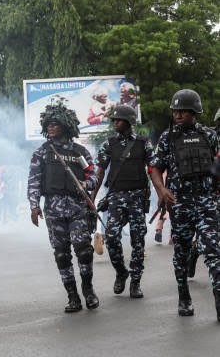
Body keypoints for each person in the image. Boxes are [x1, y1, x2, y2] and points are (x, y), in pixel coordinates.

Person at [150, 89, 219, 321]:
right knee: (180, 252)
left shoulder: (209, 135)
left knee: (215, 251)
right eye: (175, 111)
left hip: (206, 201)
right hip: (180, 203)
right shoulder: (166, 137)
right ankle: (184, 297)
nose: (178, 115)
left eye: (183, 111)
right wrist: (162, 190)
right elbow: (155, 168)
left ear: (194, 113)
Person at [28, 99, 99, 313]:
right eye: (48, 124)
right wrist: (34, 205)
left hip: (78, 209)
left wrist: (87, 183)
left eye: (55, 123)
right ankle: (73, 296)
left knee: (84, 251)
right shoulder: (42, 152)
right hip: (53, 210)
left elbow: (93, 175)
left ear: (65, 126)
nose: (50, 127)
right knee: (61, 254)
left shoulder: (80, 152)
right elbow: (34, 180)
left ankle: (87, 289)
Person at [91, 105, 154, 299]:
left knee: (138, 241)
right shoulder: (108, 144)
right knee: (111, 237)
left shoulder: (144, 144)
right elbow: (100, 172)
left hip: (137, 197)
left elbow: (154, 170)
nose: (114, 123)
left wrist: (161, 192)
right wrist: (91, 198)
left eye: (118, 120)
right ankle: (121, 272)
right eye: (113, 120)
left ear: (128, 121)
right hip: (116, 198)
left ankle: (135, 282)